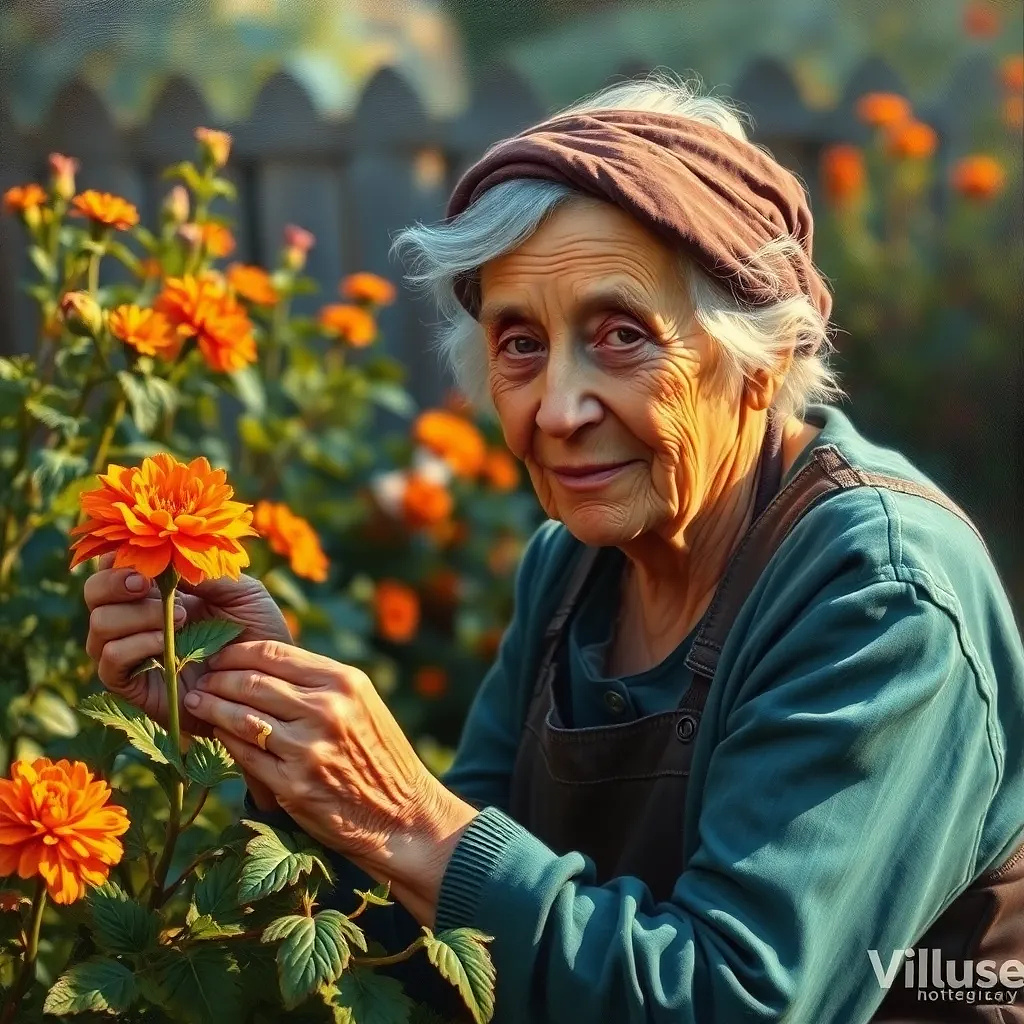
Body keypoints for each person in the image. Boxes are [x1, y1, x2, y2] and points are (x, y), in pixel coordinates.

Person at [83, 74, 1024, 1023]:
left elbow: (733, 1001)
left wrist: (408, 816)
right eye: (520, 344)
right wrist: (263, 713)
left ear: (761, 358)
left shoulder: (879, 594)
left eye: (622, 335)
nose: (559, 410)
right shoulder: (571, 567)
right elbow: (449, 947)